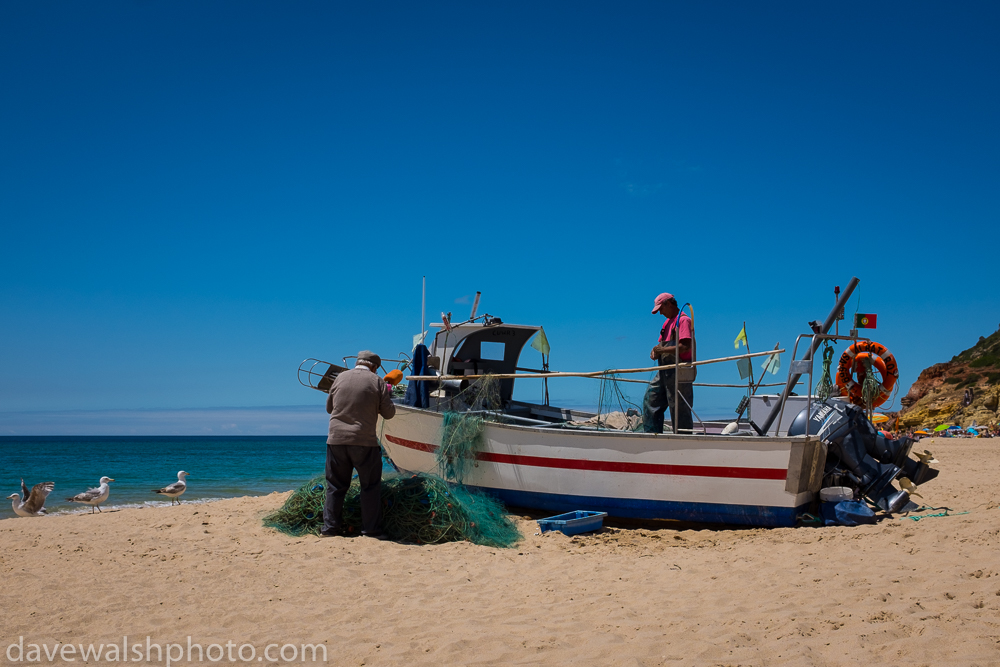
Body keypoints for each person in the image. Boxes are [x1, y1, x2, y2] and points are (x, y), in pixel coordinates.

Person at [322, 350, 396, 538]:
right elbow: (389, 414)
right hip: (364, 442)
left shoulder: (340, 378)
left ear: (357, 362)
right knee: (370, 487)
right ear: (374, 367)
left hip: (336, 440)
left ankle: (330, 529)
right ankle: (371, 530)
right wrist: (387, 393)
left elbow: (329, 408)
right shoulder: (377, 381)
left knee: (335, 486)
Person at [642, 292, 695, 434]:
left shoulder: (683, 320)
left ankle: (683, 439)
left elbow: (685, 346)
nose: (660, 313)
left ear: (668, 304)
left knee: (678, 407)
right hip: (664, 370)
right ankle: (652, 435)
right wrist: (655, 350)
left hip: (679, 370)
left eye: (661, 309)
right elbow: (660, 344)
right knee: (651, 400)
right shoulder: (667, 323)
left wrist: (662, 349)